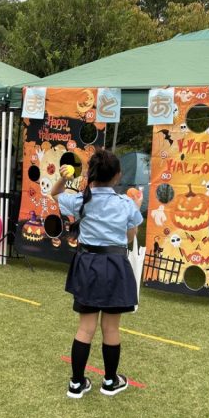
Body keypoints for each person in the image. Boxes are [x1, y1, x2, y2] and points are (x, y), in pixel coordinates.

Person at [51, 149, 143, 399]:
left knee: (85, 328)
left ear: (90, 173)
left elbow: (55, 194)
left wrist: (63, 178)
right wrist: (136, 207)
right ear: (118, 175)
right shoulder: (126, 204)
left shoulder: (82, 200)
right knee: (111, 328)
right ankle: (110, 382)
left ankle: (76, 384)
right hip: (115, 266)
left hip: (87, 265)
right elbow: (129, 238)